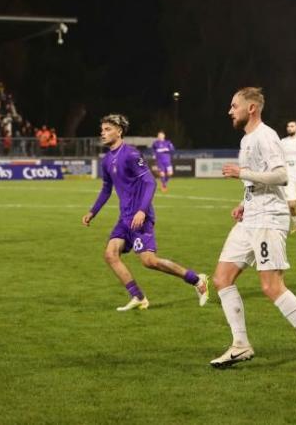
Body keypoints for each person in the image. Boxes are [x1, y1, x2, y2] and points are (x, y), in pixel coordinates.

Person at [209, 87, 296, 373]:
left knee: (270, 286)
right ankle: (240, 344)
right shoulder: (247, 139)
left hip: (269, 219)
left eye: (234, 105)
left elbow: (281, 176)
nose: (230, 110)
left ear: (251, 108)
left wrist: (242, 173)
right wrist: (243, 202)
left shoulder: (266, 135)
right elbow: (257, 183)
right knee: (222, 278)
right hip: (251, 216)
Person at [82, 114, 209, 311]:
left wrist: (142, 211)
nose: (103, 133)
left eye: (108, 129)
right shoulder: (106, 160)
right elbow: (107, 189)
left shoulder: (131, 154)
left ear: (119, 131)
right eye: (102, 129)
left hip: (140, 216)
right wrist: (93, 211)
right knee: (110, 254)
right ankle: (138, 297)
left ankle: (197, 280)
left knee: (149, 262)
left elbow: (150, 182)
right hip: (124, 218)